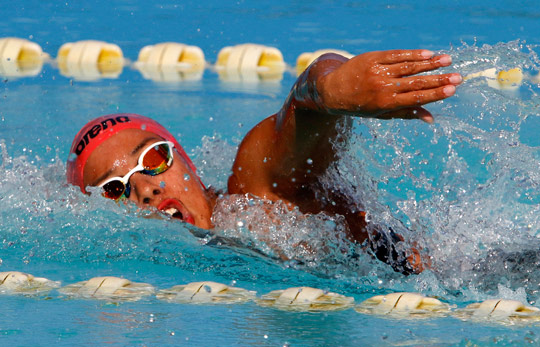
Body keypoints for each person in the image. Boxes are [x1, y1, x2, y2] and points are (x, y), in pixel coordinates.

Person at [66, 49, 462, 274]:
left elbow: (304, 106)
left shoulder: (251, 194)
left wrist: (332, 87)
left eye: (154, 158)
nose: (146, 189)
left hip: (463, 280)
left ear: (186, 161)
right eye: (115, 189)